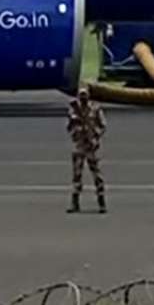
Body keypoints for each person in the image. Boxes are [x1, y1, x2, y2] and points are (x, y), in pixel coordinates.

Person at [66, 86, 107, 214]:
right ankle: (75, 202)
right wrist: (76, 134)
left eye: (85, 95)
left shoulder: (95, 109)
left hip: (91, 146)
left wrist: (96, 136)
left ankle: (101, 201)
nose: (83, 97)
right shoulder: (74, 109)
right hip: (79, 145)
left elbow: (103, 125)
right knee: (77, 174)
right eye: (81, 95)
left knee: (97, 174)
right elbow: (69, 127)